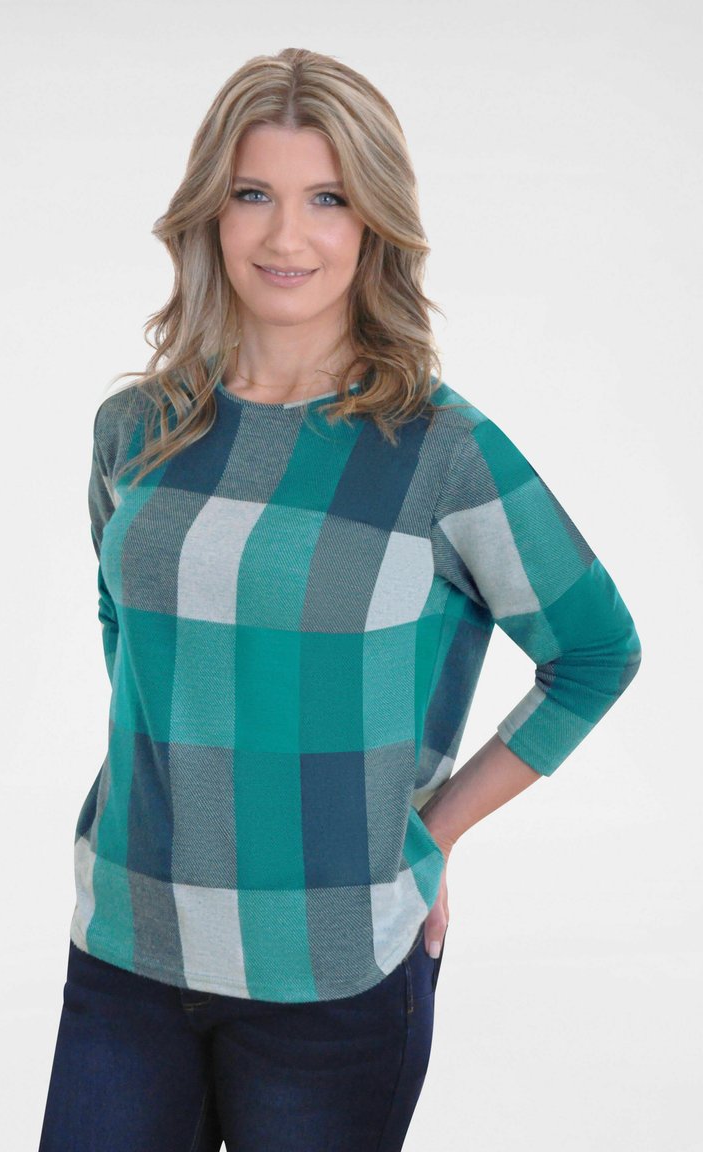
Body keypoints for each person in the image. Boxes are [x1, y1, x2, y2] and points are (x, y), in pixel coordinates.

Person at [37, 46, 642, 1152]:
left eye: (327, 198)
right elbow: (127, 629)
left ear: (374, 223)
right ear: (209, 212)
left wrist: (429, 836)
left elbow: (596, 652)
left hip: (330, 973)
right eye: (252, 194)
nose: (286, 236)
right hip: (127, 945)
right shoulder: (137, 428)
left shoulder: (440, 451)